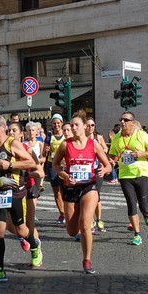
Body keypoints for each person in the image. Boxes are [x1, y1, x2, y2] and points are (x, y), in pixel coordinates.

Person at [0, 117, 41, 282]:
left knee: (21, 229)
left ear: (2, 127)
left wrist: (11, 166)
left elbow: (31, 163)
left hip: (14, 192)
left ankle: (35, 246)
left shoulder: (12, 143)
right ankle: (0, 270)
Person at [52, 113, 111, 274]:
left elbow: (108, 166)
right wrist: (64, 175)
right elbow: (55, 165)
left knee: (85, 224)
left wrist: (103, 170)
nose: (73, 128)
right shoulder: (65, 145)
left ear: (85, 126)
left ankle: (87, 260)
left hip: (89, 186)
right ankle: (79, 223)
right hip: (71, 188)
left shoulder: (94, 145)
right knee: (72, 231)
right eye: (71, 125)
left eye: (76, 125)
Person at [109, 111, 148, 246]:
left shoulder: (142, 135)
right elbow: (113, 154)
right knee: (131, 204)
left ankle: (147, 215)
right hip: (125, 175)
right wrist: (112, 161)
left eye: (126, 120)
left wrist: (142, 153)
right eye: (121, 120)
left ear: (132, 122)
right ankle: (137, 234)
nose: (122, 122)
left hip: (141, 173)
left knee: (144, 206)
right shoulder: (117, 138)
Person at [6, 122, 45, 264]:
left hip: (29, 188)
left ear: (21, 134)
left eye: (14, 130)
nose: (10, 133)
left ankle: (37, 249)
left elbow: (40, 172)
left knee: (29, 224)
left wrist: (26, 173)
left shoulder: (27, 150)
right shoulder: (5, 149)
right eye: (9, 130)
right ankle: (23, 237)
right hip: (12, 189)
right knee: (10, 225)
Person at [85, 117, 108, 233]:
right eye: (88, 125)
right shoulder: (82, 138)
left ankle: (99, 219)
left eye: (92, 125)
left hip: (97, 169)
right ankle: (91, 220)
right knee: (88, 195)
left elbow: (105, 148)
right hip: (86, 171)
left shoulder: (98, 137)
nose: (90, 127)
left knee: (96, 195)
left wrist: (99, 151)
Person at [43, 113, 66, 224]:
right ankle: (62, 213)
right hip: (52, 165)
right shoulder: (49, 136)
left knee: (64, 190)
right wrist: (45, 150)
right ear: (52, 124)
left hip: (64, 165)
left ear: (61, 123)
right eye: (54, 123)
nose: (56, 125)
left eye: (58, 123)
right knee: (56, 191)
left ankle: (68, 210)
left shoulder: (66, 135)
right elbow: (44, 152)